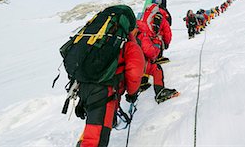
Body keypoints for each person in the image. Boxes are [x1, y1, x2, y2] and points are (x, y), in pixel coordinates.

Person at [75, 10, 145, 147]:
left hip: (84, 86)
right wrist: (132, 94)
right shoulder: (128, 44)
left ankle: (83, 141)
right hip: (104, 92)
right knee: (96, 139)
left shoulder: (100, 39)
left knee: (93, 126)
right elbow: (135, 73)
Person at [136, 18, 178, 103]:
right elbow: (149, 50)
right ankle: (160, 92)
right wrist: (154, 56)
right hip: (138, 61)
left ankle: (142, 83)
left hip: (129, 62)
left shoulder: (128, 33)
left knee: (144, 67)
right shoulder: (141, 34)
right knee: (156, 68)